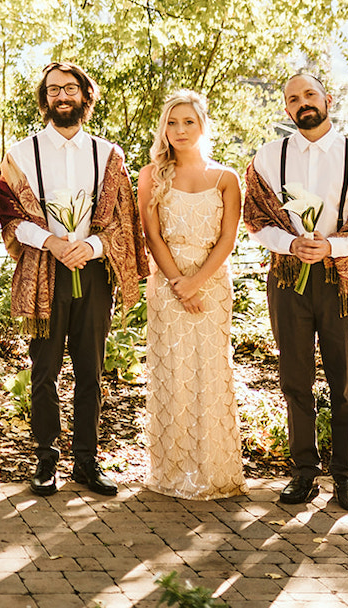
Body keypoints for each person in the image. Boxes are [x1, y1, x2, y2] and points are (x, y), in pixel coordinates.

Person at [243, 73, 348, 513]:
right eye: (293, 98)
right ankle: (303, 474)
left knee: (345, 384)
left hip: (343, 283)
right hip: (289, 280)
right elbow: (256, 217)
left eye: (310, 95)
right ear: (286, 110)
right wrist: (291, 243)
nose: (303, 103)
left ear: (328, 99)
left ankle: (346, 477)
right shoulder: (268, 158)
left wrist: (331, 246)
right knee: (295, 380)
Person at [0, 61, 146, 499]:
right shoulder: (20, 155)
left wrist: (93, 246)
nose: (63, 96)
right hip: (45, 272)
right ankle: (46, 460)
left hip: (94, 274)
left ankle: (87, 460)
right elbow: (8, 215)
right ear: (45, 100)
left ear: (85, 96)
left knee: (91, 372)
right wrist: (52, 243)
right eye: (54, 90)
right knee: (43, 370)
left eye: (71, 89)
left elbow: (122, 218)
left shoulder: (108, 154)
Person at [136, 91, 247, 500]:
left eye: (188, 122)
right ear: (163, 129)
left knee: (210, 372)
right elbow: (152, 235)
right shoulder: (151, 175)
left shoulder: (226, 178)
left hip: (213, 284)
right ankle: (172, 471)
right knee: (172, 372)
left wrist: (197, 281)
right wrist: (177, 283)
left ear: (203, 125)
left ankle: (213, 470)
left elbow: (228, 238)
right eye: (172, 123)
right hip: (166, 286)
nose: (180, 130)